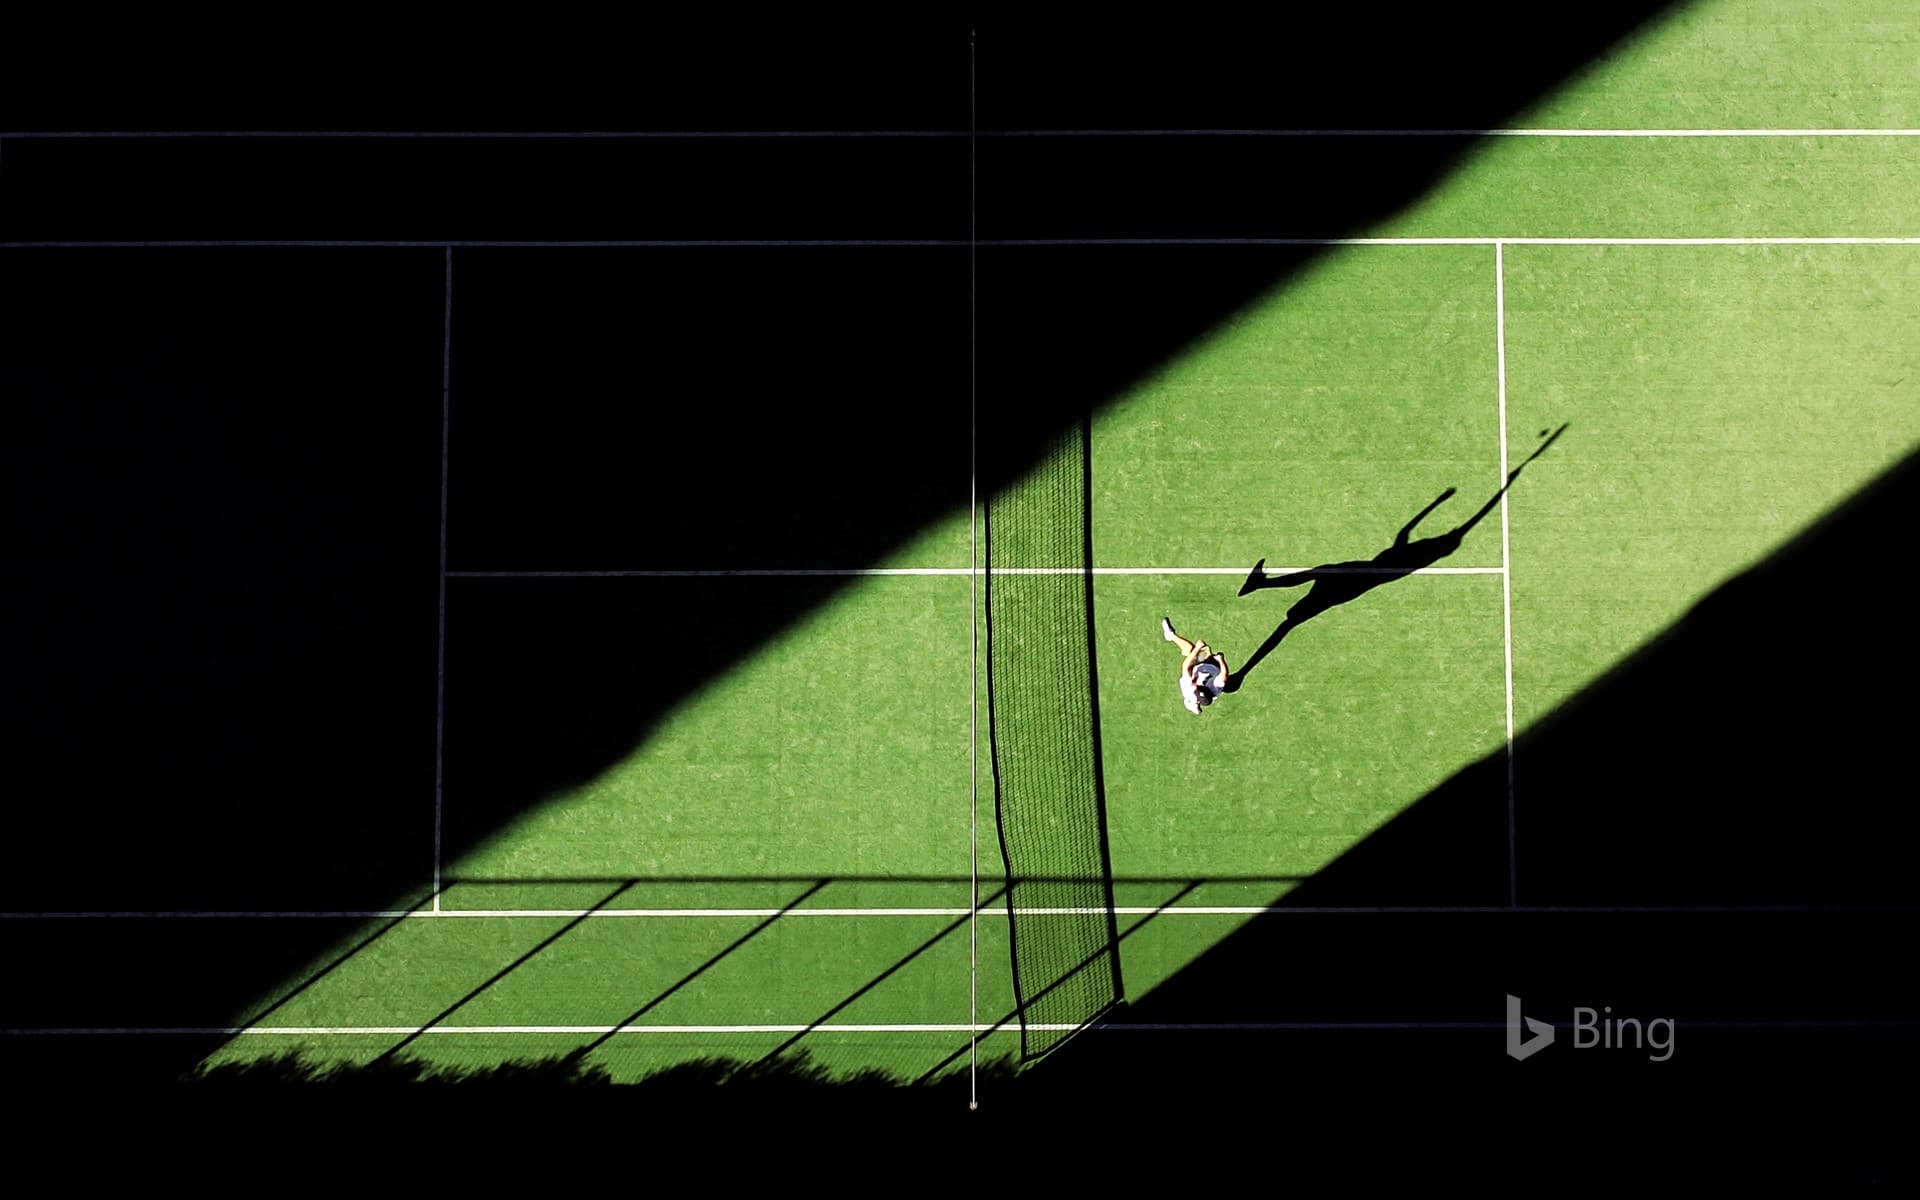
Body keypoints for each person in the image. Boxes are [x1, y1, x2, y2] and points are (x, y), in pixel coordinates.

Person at [1162, 616, 1230, 714]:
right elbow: (1224, 674)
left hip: (1197, 667)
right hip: (1212, 668)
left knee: (1190, 649)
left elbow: (1186, 666)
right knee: (1205, 650)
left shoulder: (1189, 688)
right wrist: (1221, 660)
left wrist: (1197, 648)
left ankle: (1170, 635)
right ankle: (1194, 706)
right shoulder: (1216, 688)